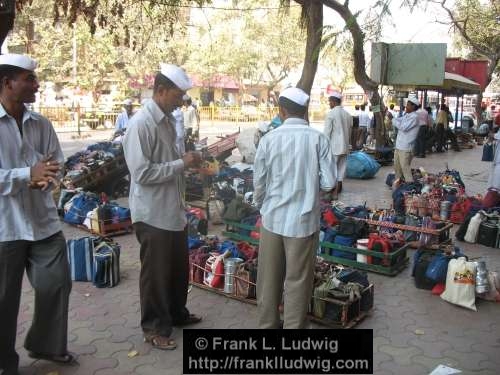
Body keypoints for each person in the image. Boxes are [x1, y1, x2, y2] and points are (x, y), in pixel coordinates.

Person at [0, 54, 73, 375]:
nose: (36, 84)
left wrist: (48, 178)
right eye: (29, 79)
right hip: (6, 228)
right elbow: (30, 171)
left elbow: (55, 162)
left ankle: (47, 346)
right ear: (7, 83)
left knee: (56, 284)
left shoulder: (41, 123)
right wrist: (26, 175)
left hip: (44, 223)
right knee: (4, 302)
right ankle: (4, 363)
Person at [122, 63, 203, 351]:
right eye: (177, 95)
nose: (181, 101)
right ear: (160, 91)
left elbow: (170, 161)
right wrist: (182, 163)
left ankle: (177, 314)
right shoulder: (141, 124)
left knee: (178, 269)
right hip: (152, 213)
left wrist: (189, 164)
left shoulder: (167, 120)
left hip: (172, 210)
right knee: (155, 274)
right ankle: (155, 327)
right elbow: (142, 173)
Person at [253, 87, 336, 329]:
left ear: (282, 110)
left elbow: (259, 182)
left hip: (272, 220)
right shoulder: (318, 138)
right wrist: (310, 187)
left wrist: (262, 206)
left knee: (268, 280)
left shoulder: (269, 139)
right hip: (303, 222)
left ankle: (267, 327)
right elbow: (330, 182)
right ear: (305, 110)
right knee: (297, 281)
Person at [323, 92, 352, 198]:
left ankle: (333, 192)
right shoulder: (347, 114)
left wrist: (323, 147)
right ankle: (337, 191)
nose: (329, 103)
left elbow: (326, 133)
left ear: (334, 101)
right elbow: (350, 131)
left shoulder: (331, 114)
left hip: (334, 147)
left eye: (329, 101)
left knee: (331, 170)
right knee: (341, 170)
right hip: (345, 147)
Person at [392, 96, 420, 182]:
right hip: (399, 146)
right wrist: (394, 119)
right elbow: (399, 120)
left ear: (413, 107)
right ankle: (398, 184)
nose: (406, 107)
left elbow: (403, 127)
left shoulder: (414, 117)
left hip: (406, 147)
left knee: (405, 168)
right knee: (397, 167)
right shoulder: (407, 115)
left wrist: (392, 120)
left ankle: (410, 186)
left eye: (408, 105)